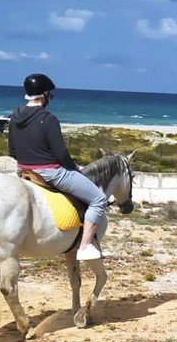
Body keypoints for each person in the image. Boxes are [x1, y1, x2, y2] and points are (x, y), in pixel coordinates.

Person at [7, 73, 108, 262]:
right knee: (98, 200)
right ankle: (85, 247)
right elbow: (61, 154)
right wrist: (74, 167)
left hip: (24, 171)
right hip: (50, 172)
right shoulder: (48, 119)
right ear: (44, 95)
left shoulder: (14, 117)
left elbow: (13, 151)